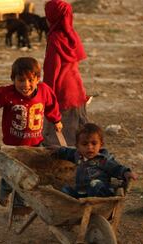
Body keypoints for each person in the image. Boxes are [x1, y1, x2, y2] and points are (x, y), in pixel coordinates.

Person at [0, 57, 63, 207]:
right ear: (13, 79)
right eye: (21, 80)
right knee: (12, 172)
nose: (26, 85)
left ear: (37, 79)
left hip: (35, 143)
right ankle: (5, 190)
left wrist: (56, 120)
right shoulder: (7, 94)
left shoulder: (44, 91)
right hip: (14, 146)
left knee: (30, 174)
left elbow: (51, 105)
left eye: (30, 80)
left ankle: (20, 203)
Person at [42, 0, 89, 146]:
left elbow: (51, 71)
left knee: (60, 139)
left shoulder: (55, 38)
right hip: (77, 91)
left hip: (62, 94)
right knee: (79, 133)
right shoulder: (70, 35)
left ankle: (65, 166)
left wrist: (45, 97)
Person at [53, 123, 137, 198]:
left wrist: (126, 172)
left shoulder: (103, 160)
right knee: (65, 190)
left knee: (95, 184)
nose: (89, 147)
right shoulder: (77, 155)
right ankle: (73, 206)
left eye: (94, 143)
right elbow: (67, 152)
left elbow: (115, 168)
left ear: (101, 145)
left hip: (98, 191)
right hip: (81, 192)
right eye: (85, 144)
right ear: (77, 146)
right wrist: (57, 150)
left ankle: (112, 193)